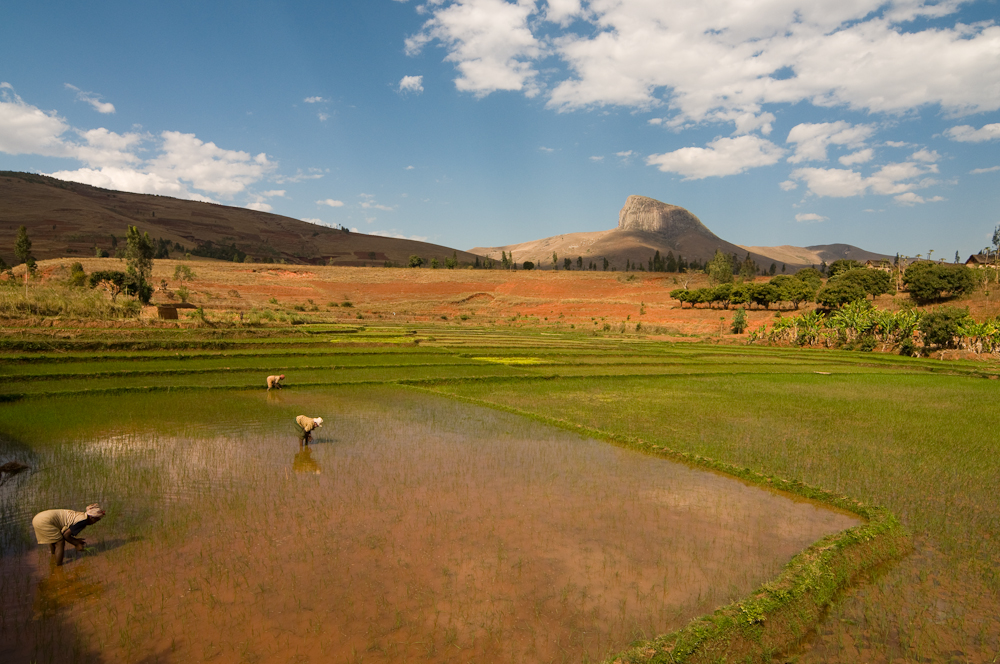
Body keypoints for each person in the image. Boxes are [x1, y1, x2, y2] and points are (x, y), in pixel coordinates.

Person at [31, 504, 105, 566]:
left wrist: (76, 540)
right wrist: (76, 544)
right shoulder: (83, 521)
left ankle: (53, 555)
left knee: (54, 538)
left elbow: (65, 532)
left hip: (38, 518)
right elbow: (66, 535)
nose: (96, 522)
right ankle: (59, 566)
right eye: (97, 520)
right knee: (60, 542)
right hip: (45, 521)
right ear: (92, 517)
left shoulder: (80, 515)